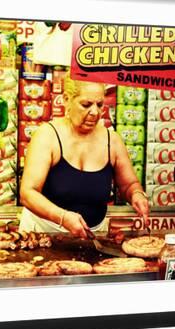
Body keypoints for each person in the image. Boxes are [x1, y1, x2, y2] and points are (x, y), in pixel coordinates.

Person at [19, 75, 150, 238]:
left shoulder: (112, 141)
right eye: (86, 104)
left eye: (100, 105)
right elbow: (28, 193)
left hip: (92, 238)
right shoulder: (47, 136)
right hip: (42, 234)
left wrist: (137, 194)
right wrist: (63, 217)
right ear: (66, 100)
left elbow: (129, 184)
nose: (95, 112)